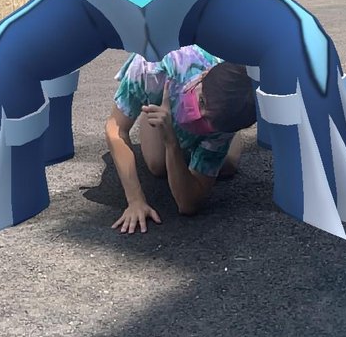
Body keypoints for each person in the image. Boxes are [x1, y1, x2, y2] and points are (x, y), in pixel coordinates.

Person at [105, 45, 257, 234]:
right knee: (158, 165)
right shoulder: (153, 67)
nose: (198, 116)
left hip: (218, 117)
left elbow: (188, 204)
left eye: (210, 121)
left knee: (228, 166)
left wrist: (172, 144)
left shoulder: (225, 120)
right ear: (203, 76)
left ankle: (215, 139)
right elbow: (116, 129)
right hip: (162, 99)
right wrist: (135, 200)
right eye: (201, 101)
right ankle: (152, 111)